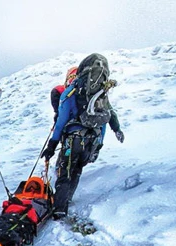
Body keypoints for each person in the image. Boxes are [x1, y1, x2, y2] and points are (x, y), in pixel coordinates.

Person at [42, 53, 125, 217]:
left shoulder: (70, 93)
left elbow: (60, 123)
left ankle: (59, 208)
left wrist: (51, 146)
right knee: (77, 169)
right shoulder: (100, 95)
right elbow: (106, 119)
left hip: (73, 139)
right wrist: (103, 141)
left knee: (64, 172)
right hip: (92, 141)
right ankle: (67, 198)